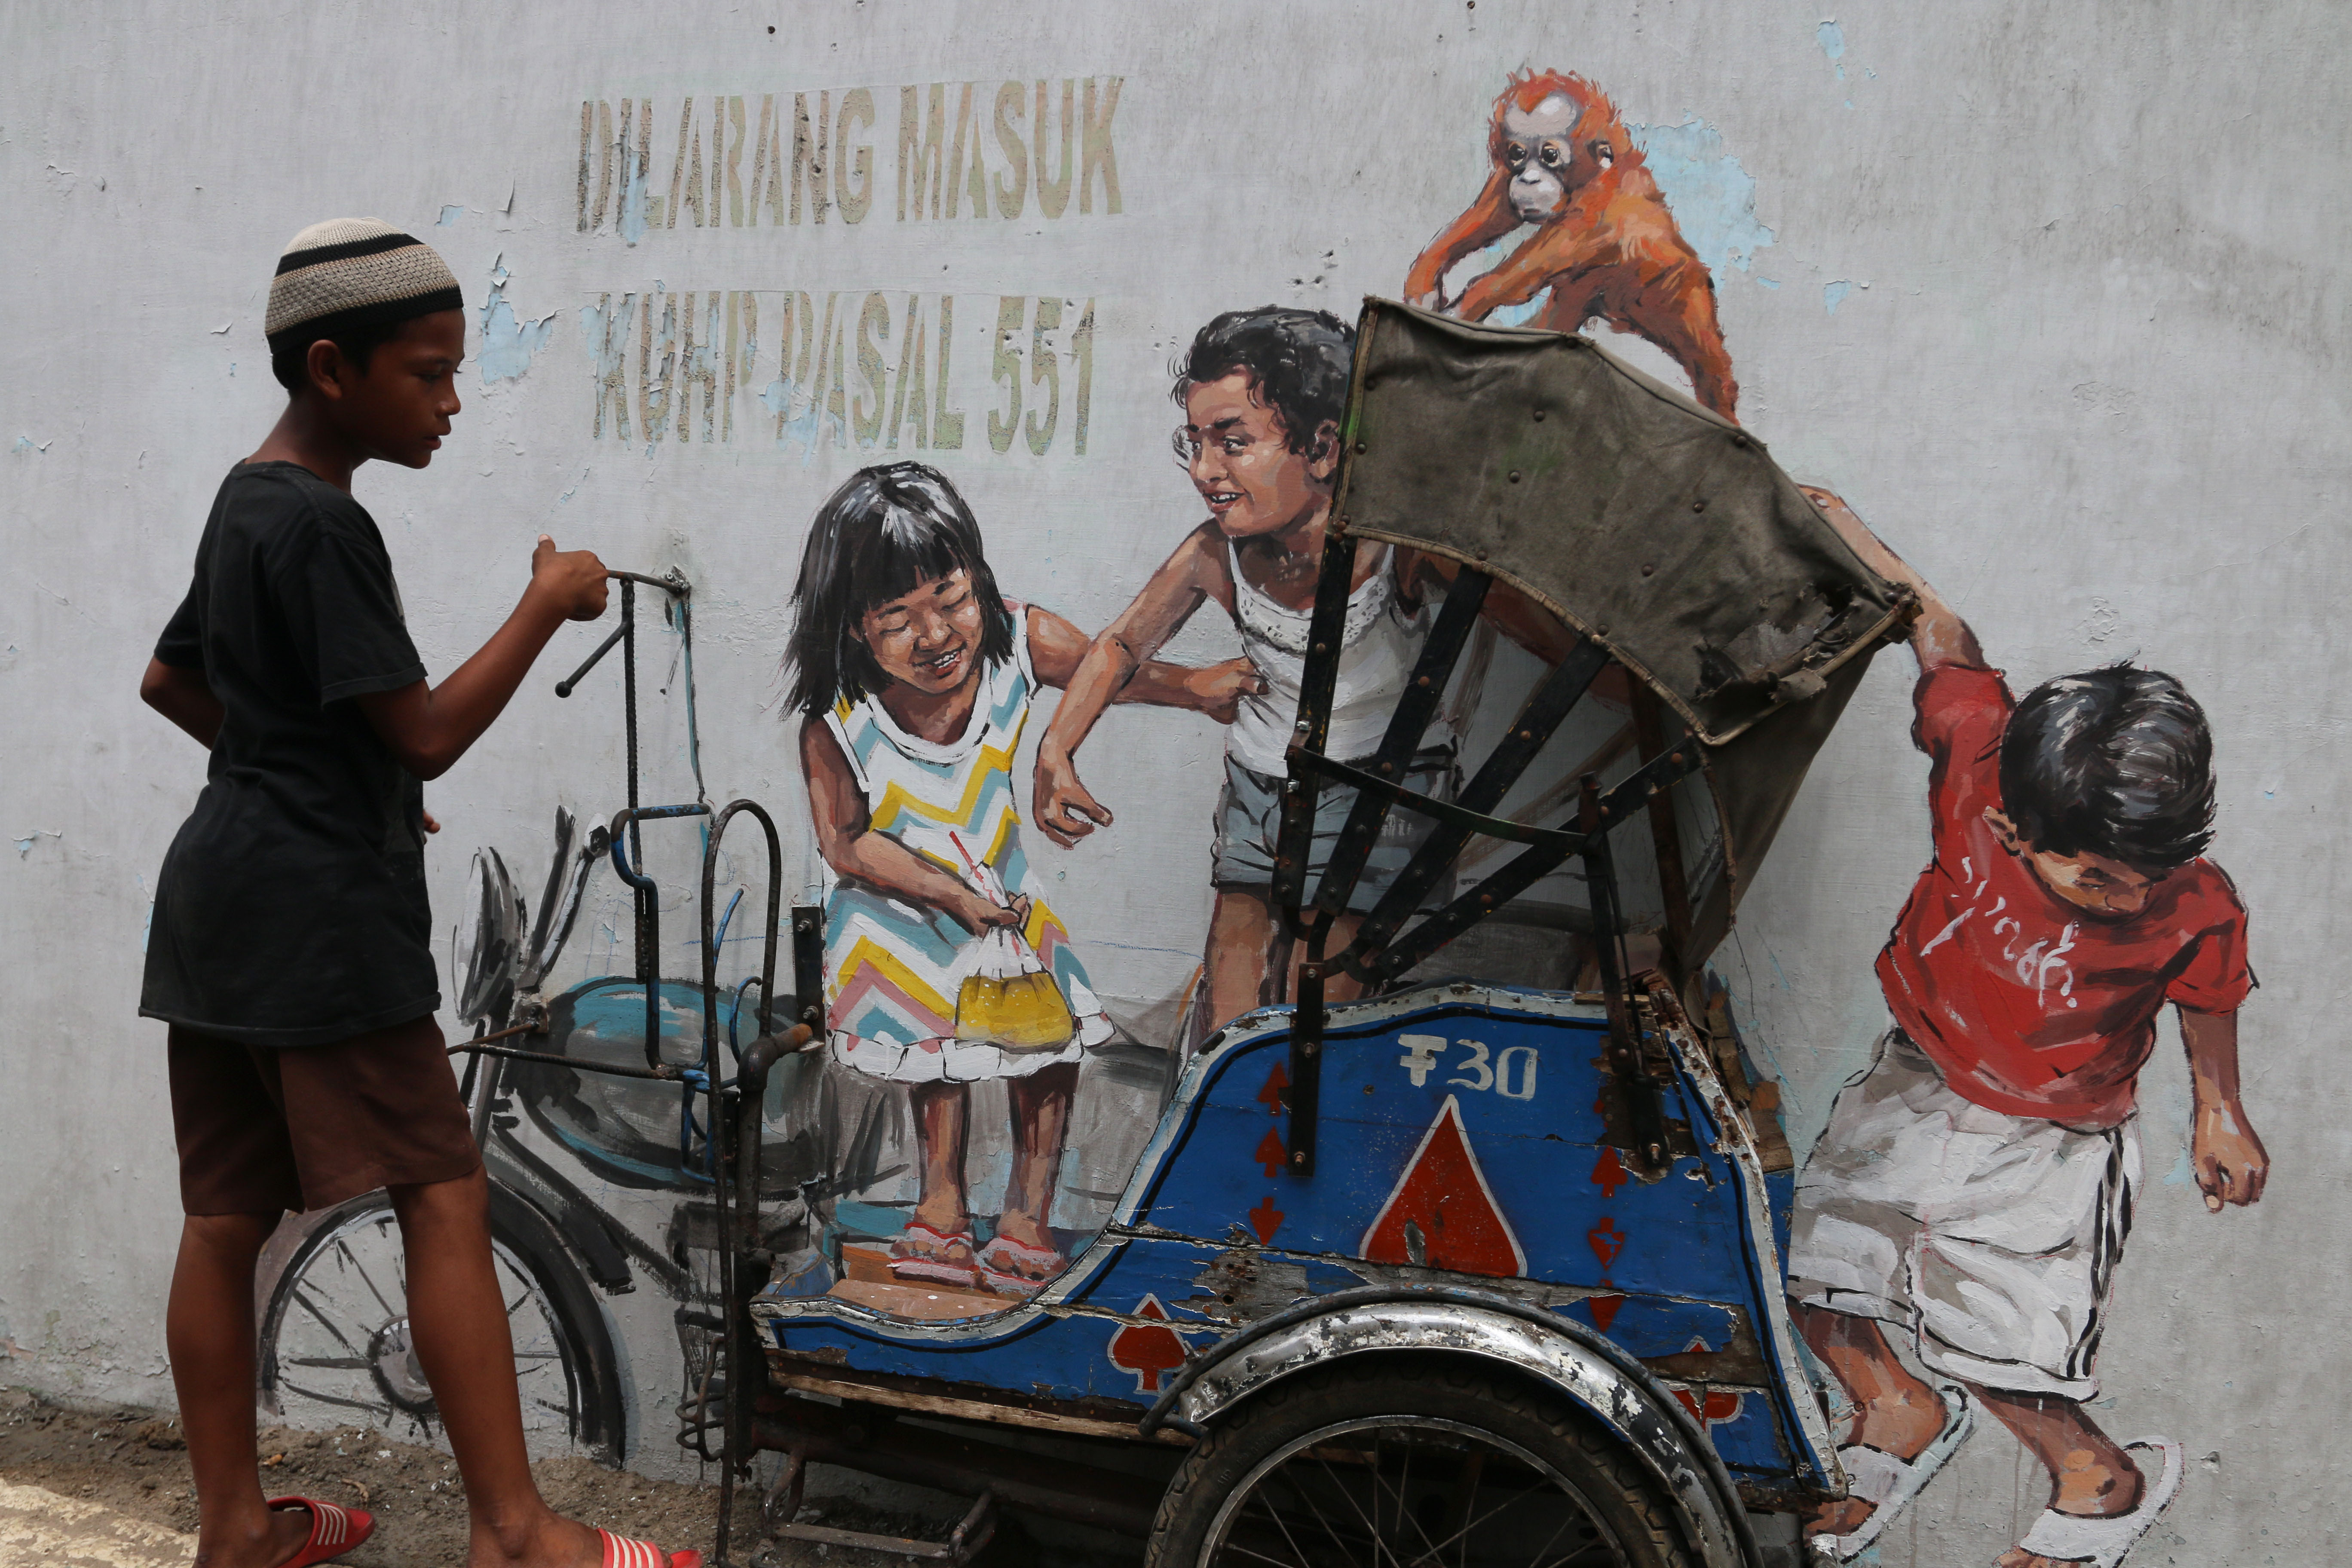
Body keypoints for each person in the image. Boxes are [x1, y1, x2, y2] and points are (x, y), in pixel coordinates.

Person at [138, 219, 695, 1568]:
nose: (453, 402)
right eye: (430, 374)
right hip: (319, 922)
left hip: (218, 902)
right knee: (446, 1194)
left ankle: (235, 1532)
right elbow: (429, 732)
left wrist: (327, 779)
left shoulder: (242, 498)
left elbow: (175, 684)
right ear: (335, 369)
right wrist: (545, 600)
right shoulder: (326, 526)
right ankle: (517, 1537)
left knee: (224, 1218)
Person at [1785, 489, 2265, 1568]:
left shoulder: (2192, 897)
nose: (2125, 899)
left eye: (2146, 879)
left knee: (2005, 1347)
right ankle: (1893, 1411)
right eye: (2096, 878)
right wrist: (1844, 528)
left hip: (2052, 1142)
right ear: (2011, 822)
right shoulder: (1978, 762)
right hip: (1913, 1080)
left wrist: (2220, 1115)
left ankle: (2099, 1479)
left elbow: (2211, 993)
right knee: (1820, 1274)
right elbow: (1941, 634)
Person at [1032, 306, 1579, 1032]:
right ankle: (1235, 1120)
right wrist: (1056, 748)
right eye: (1194, 443)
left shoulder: (1395, 549)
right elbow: (1120, 646)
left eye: (1232, 443)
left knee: (1320, 1004)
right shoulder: (1215, 554)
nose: (1204, 471)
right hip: (1262, 786)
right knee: (1234, 1000)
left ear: (1323, 448)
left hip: (1383, 797)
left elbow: (1543, 631)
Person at [789, 462, 1248, 1294]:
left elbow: (1110, 668)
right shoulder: (839, 722)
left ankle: (1027, 1214)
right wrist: (948, 895)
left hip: (994, 898)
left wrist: (1195, 689)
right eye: (898, 617)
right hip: (898, 910)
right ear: (855, 628)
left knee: (1053, 1031)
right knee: (938, 1031)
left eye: (950, 599)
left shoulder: (1014, 642)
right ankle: (941, 1205)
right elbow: (848, 844)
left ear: (979, 584)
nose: (936, 635)